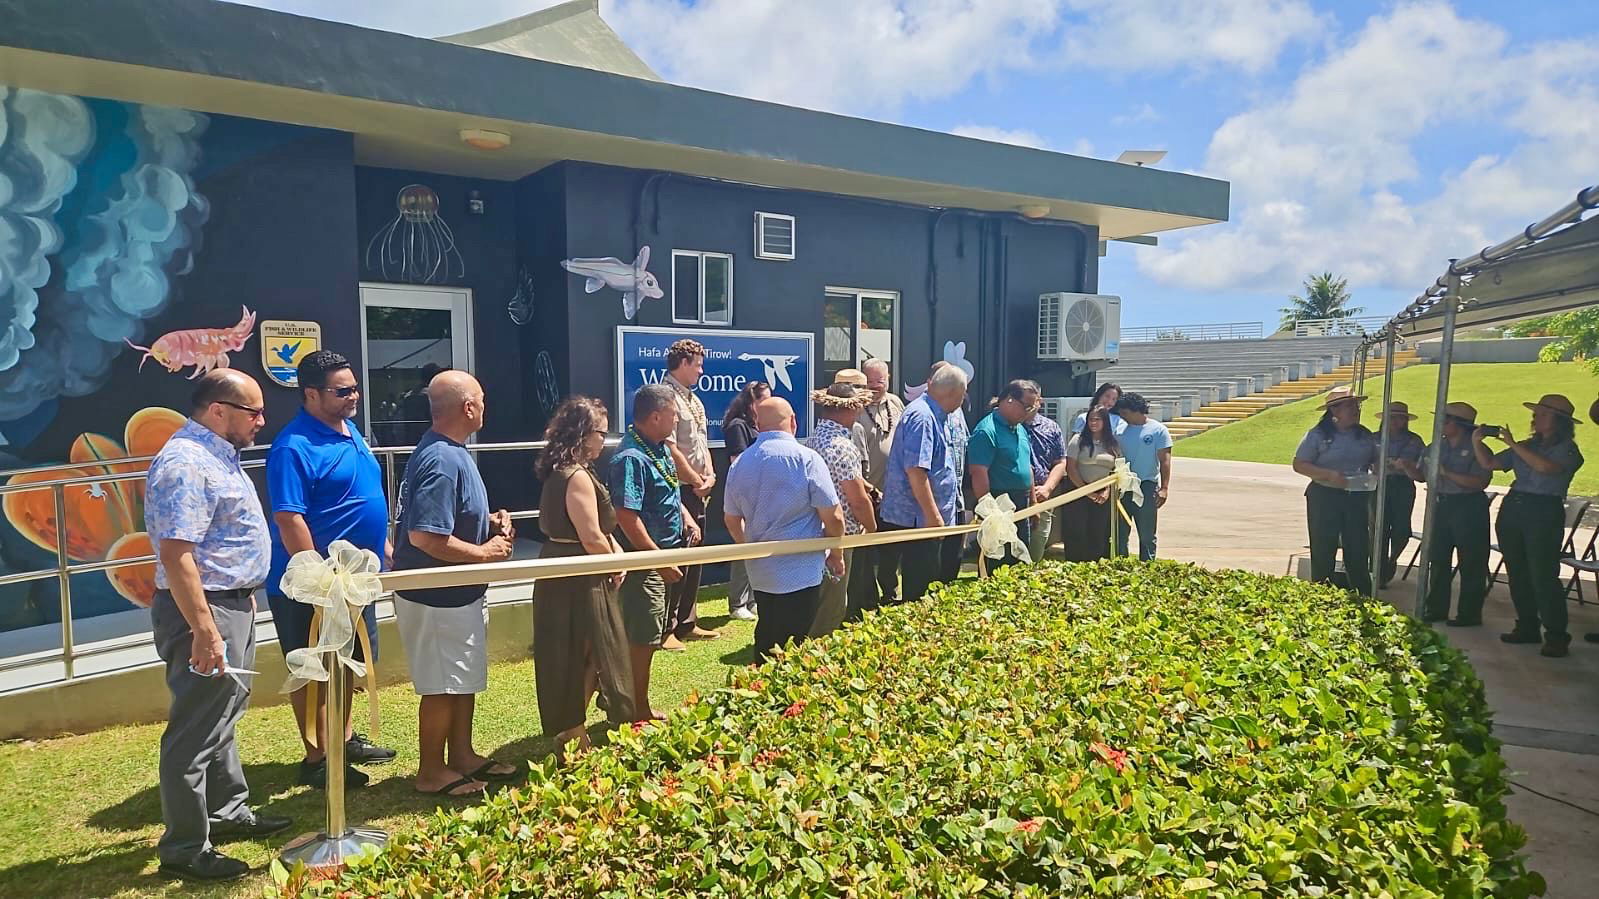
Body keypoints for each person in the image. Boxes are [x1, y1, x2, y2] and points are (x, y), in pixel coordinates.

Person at [144, 369, 289, 882]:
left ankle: (227, 813)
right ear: (218, 409)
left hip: (229, 603)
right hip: (202, 611)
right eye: (254, 412)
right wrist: (205, 630)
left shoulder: (217, 455)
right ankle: (185, 846)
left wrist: (241, 599)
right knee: (196, 727)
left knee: (222, 712)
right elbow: (177, 555)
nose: (262, 421)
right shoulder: (185, 463)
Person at [264, 351, 395, 791]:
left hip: (355, 579)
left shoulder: (349, 429)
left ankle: (344, 738)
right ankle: (316, 756)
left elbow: (364, 494)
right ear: (311, 394)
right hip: (313, 586)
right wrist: (317, 578)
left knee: (351, 661)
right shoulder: (293, 446)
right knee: (313, 669)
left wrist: (384, 543)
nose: (353, 396)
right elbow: (289, 518)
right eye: (342, 391)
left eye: (355, 387)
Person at [391, 370, 518, 797]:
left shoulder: (449, 452)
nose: (485, 406)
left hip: (456, 594)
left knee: (460, 680)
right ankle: (431, 772)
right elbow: (425, 536)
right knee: (442, 686)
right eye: (481, 399)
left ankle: (461, 755)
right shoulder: (443, 459)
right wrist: (485, 553)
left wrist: (488, 523)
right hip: (436, 598)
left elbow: (449, 519)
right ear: (468, 407)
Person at [532, 396, 636, 759]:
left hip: (576, 569)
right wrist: (612, 562)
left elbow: (598, 534)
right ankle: (571, 731)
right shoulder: (574, 475)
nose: (603, 441)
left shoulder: (572, 471)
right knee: (580, 650)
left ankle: (572, 726)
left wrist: (615, 553)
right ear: (582, 433)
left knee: (589, 651)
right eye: (600, 433)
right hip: (576, 574)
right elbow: (590, 535)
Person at [724, 398, 846, 663]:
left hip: (761, 570)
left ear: (757, 425)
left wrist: (749, 548)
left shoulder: (740, 463)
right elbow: (834, 516)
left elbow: (731, 519)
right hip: (801, 569)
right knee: (796, 642)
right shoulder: (807, 459)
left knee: (767, 631)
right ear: (793, 422)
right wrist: (836, 552)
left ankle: (759, 693)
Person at [610, 384, 702, 720]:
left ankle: (627, 702)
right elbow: (626, 516)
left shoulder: (658, 449)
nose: (676, 421)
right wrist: (657, 559)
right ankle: (636, 710)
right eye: (674, 415)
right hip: (646, 562)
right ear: (655, 416)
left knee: (649, 634)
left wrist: (687, 519)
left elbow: (669, 491)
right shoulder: (631, 457)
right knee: (642, 638)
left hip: (665, 555)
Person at [1475, 393, 1585, 657]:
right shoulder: (1526, 445)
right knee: (1518, 572)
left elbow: (1547, 468)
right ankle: (1527, 625)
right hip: (1515, 506)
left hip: (1544, 510)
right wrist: (1477, 441)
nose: (1536, 417)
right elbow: (1490, 464)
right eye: (1536, 413)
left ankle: (1556, 634)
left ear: (1559, 421)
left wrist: (1513, 444)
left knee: (1543, 574)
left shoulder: (1568, 449)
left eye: (1543, 414)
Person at [878, 364, 967, 603]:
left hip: (925, 520)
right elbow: (916, 471)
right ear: (954, 395)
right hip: (918, 521)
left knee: (931, 585)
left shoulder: (936, 414)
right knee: (920, 590)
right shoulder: (923, 416)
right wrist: (933, 516)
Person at [660, 339, 720, 650]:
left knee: (695, 556)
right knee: (679, 556)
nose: (701, 370)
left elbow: (701, 443)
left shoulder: (694, 400)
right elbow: (670, 449)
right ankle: (666, 628)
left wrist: (709, 476)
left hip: (698, 488)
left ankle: (687, 622)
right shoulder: (666, 397)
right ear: (683, 363)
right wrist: (696, 480)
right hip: (678, 488)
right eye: (697, 364)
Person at [804, 383, 877, 634]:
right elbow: (856, 498)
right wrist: (871, 526)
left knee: (816, 596)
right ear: (850, 409)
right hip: (839, 533)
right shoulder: (843, 446)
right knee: (833, 603)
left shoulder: (812, 440)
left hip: (813, 529)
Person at [1291, 388, 1378, 596]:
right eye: (1349, 406)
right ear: (1334, 411)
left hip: (1356, 495)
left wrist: (1376, 466)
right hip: (1325, 495)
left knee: (1357, 544)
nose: (1355, 410)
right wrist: (1328, 475)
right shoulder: (1318, 435)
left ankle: (1361, 593)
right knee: (1324, 544)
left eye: (1356, 406)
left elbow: (1374, 458)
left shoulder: (1364, 434)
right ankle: (1322, 593)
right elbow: (1299, 464)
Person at [1421, 402, 1493, 626]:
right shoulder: (1435, 446)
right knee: (1438, 558)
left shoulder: (1478, 448)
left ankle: (1469, 614)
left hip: (1468, 506)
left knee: (1472, 562)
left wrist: (1447, 473)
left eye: (1446, 420)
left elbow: (1480, 481)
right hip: (1441, 503)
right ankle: (1436, 608)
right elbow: (1422, 475)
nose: (1440, 424)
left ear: (1459, 424)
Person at [967, 380, 1043, 571]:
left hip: (1021, 502)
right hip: (998, 503)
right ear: (1009, 400)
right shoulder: (986, 431)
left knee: (1020, 561)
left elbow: (1027, 467)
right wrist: (990, 511)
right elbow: (978, 472)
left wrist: (1033, 503)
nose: (1029, 411)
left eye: (1032, 407)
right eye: (1026, 406)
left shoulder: (1020, 428)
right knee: (999, 562)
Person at [721, 381, 771, 622]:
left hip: (762, 494)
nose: (768, 405)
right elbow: (738, 462)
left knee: (758, 545)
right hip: (745, 493)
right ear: (751, 401)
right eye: (763, 400)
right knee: (744, 545)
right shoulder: (737, 426)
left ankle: (752, 600)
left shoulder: (758, 425)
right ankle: (737, 602)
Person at [859, 359, 905, 605]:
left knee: (891, 548)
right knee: (865, 550)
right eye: (871, 381)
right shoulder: (855, 408)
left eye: (881, 380)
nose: (876, 386)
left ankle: (890, 592)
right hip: (865, 493)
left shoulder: (896, 403)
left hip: (893, 493)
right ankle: (866, 597)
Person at [1111, 392, 1173, 561]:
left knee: (1146, 531)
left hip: (1146, 485)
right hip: (1124, 485)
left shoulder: (1158, 430)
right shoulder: (1120, 430)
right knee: (1120, 530)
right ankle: (1120, 563)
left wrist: (1164, 488)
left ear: (1136, 410)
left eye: (1125, 413)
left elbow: (1165, 460)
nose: (1122, 417)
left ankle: (1147, 564)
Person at [1374, 401, 1425, 588]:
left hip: (1402, 485)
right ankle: (1379, 571)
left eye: (1400, 418)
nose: (1396, 422)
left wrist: (1406, 466)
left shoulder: (1414, 440)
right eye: (1392, 417)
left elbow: (1421, 467)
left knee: (1402, 529)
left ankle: (1392, 558)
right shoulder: (1373, 438)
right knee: (1378, 528)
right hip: (1378, 484)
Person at [1060, 405, 1122, 562]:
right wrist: (1087, 491)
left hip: (1102, 494)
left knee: (1098, 532)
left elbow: (1116, 470)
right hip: (1078, 490)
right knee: (1077, 531)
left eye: (1097, 419)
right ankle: (1074, 564)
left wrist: (1106, 490)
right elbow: (1071, 467)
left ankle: (1095, 564)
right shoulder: (1078, 440)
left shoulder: (1112, 443)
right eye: (1090, 419)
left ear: (1105, 421)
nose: (1093, 423)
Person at [935, 363, 973, 583]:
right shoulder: (928, 414)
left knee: (954, 552)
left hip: (956, 494)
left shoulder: (958, 412)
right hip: (937, 500)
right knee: (933, 558)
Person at [1023, 397, 1067, 563]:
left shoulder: (1051, 427)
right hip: (1015, 491)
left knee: (1037, 540)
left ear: (1039, 401)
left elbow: (1061, 462)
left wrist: (1047, 488)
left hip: (1044, 494)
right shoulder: (1009, 425)